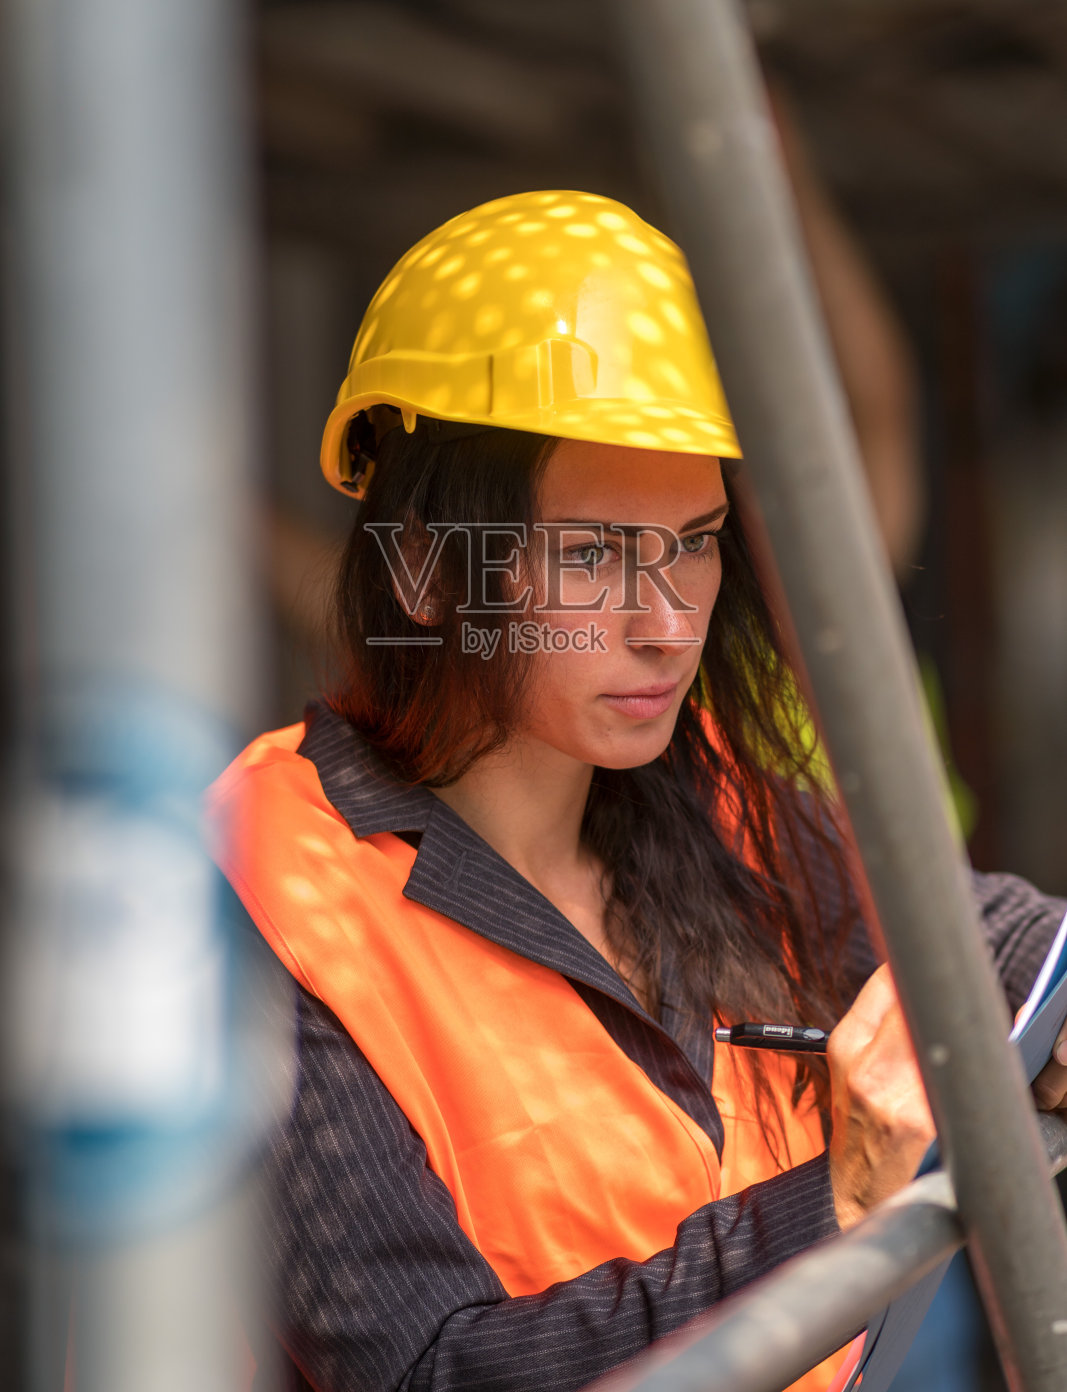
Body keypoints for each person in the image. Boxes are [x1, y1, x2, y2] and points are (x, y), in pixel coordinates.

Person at [210, 191, 1067, 1392]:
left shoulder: (707, 795)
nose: (667, 624)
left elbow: (974, 926)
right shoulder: (264, 889)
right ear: (419, 566)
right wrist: (832, 1201)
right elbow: (428, 1371)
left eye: (696, 538)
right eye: (592, 552)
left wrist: (1051, 997)